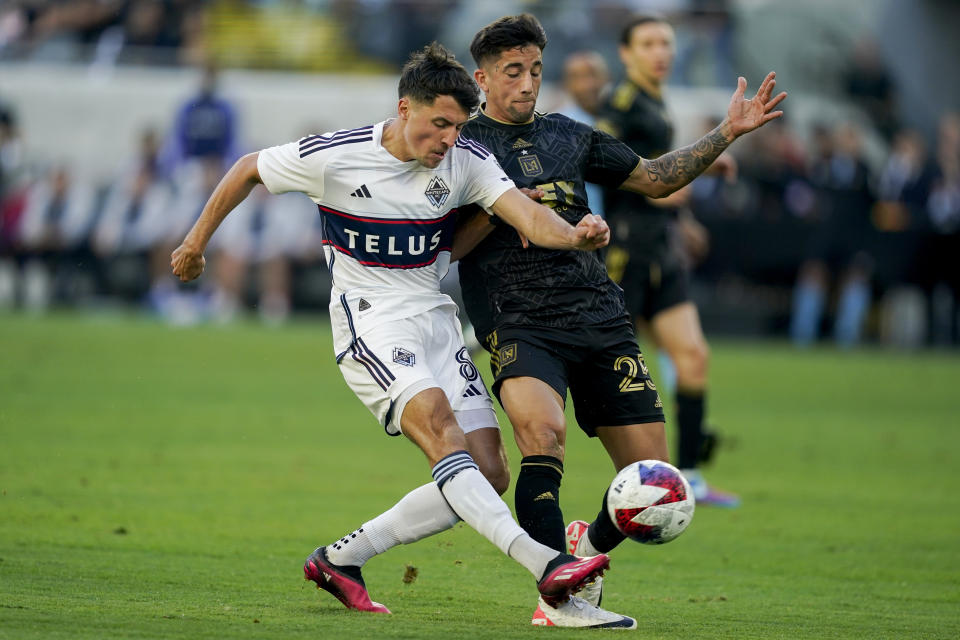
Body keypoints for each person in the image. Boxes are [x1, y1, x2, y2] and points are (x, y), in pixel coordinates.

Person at [170, 42, 613, 621]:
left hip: (434, 319)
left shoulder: (466, 159)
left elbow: (527, 216)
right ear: (405, 108)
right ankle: (546, 566)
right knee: (441, 432)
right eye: (437, 125)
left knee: (492, 471)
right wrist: (195, 243)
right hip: (370, 322)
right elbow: (247, 167)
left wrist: (576, 234)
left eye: (457, 127)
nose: (447, 139)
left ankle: (340, 559)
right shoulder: (337, 156)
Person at [453, 13, 782, 626]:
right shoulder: (461, 145)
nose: (527, 84)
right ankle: (556, 594)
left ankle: (587, 548)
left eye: (535, 71)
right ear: (483, 78)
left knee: (656, 483)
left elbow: (655, 180)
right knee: (541, 438)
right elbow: (451, 245)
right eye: (513, 73)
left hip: (597, 311)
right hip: (517, 315)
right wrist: (509, 213)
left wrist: (727, 133)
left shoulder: (570, 135)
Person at [597, 14, 740, 507]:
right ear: (626, 53)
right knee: (607, 365)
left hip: (662, 248)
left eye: (667, 43)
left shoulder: (656, 101)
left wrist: (684, 218)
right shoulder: (620, 104)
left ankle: (691, 478)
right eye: (649, 43)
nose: (661, 51)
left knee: (693, 357)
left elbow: (663, 173)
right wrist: (673, 190)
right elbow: (605, 166)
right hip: (628, 253)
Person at [557, 50, 610, 218]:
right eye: (578, 78)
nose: (588, 84)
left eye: (593, 75)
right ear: (566, 84)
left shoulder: (619, 119)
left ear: (606, 78)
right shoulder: (560, 127)